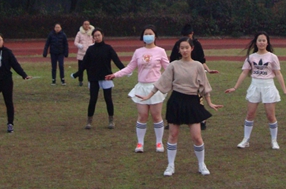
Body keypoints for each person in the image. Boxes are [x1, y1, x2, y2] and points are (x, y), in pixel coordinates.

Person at [137, 37, 222, 177]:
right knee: (173, 135)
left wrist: (209, 102)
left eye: (186, 48)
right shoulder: (173, 65)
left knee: (197, 137)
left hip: (192, 102)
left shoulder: (198, 66)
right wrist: (148, 96)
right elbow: (161, 82)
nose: (184, 50)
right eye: (181, 48)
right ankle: (170, 165)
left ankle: (202, 164)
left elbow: (204, 86)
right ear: (179, 50)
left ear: (192, 48)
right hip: (176, 101)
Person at [106, 25, 169, 153]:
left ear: (155, 36)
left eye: (150, 33)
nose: (148, 35)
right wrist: (115, 75)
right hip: (142, 87)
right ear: (142, 37)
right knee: (142, 115)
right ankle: (140, 143)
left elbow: (169, 69)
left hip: (155, 87)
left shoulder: (160, 51)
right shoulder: (138, 52)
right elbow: (129, 68)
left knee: (156, 116)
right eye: (146, 33)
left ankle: (159, 142)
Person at [225, 32, 286, 150]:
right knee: (250, 113)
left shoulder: (272, 57)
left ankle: (274, 140)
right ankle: (246, 140)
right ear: (255, 42)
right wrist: (235, 87)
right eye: (259, 40)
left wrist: (284, 90)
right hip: (255, 85)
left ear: (267, 42)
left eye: (263, 40)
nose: (261, 43)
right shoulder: (251, 57)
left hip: (268, 86)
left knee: (270, 115)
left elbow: (278, 73)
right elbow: (244, 72)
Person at [169, 24, 218, 130]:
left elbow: (201, 60)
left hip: (196, 72)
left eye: (189, 35)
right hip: (182, 73)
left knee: (199, 96)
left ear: (192, 34)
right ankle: (173, 120)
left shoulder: (196, 44)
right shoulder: (179, 44)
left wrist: (208, 70)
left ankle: (201, 120)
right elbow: (172, 60)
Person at [78, 28, 125, 129]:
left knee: (108, 99)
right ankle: (89, 121)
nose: (97, 37)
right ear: (93, 38)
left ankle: (111, 120)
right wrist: (78, 73)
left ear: (102, 35)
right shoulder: (90, 49)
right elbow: (84, 63)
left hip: (106, 77)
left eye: (98, 35)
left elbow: (116, 60)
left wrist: (124, 70)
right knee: (93, 99)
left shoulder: (108, 48)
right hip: (93, 78)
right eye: (95, 36)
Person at [71, 20, 95, 86]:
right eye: (85, 24)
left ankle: (90, 81)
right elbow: (75, 42)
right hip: (81, 54)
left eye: (88, 24)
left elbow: (95, 40)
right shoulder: (79, 33)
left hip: (90, 54)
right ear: (83, 25)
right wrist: (79, 45)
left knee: (89, 69)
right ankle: (80, 80)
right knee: (81, 68)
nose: (86, 26)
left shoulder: (93, 32)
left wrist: (93, 45)